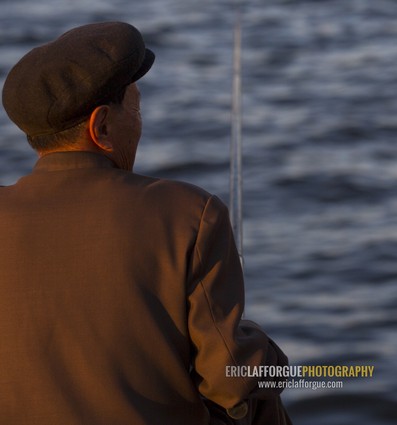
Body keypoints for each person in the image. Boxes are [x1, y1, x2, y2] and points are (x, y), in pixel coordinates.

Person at [0, 22, 292, 425]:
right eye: (135, 109)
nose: (140, 122)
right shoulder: (189, 213)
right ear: (101, 127)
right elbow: (231, 380)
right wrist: (268, 355)